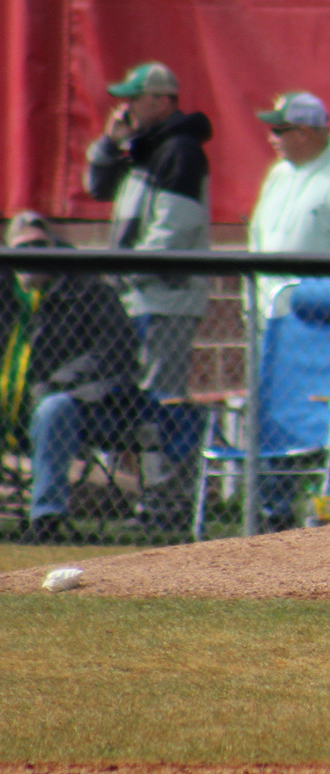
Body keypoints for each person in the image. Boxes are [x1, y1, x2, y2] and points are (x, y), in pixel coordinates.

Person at [83, 61, 212, 530]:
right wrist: (109, 143)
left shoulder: (179, 150)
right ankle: (154, 502)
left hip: (165, 300)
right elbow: (96, 186)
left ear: (160, 99)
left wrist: (121, 273)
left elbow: (171, 235)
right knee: (145, 403)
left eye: (134, 99)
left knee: (163, 401)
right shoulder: (144, 150)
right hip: (138, 298)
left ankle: (168, 506)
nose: (126, 107)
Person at [247, 91, 330, 525]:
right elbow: (257, 242)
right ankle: (274, 517)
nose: (271, 138)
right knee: (275, 417)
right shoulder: (277, 175)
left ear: (304, 131)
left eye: (279, 129)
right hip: (274, 321)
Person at [2, 212, 143, 544]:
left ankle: (46, 518)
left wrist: (58, 383)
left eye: (41, 245)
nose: (33, 253)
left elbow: (115, 351)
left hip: (82, 406)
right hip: (10, 405)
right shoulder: (6, 294)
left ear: (56, 247)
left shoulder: (90, 292)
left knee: (53, 408)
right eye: (23, 247)